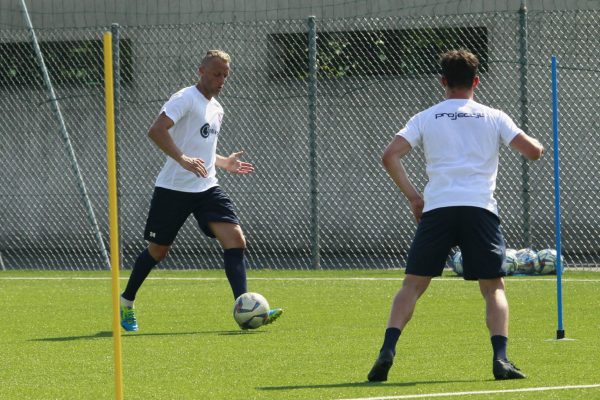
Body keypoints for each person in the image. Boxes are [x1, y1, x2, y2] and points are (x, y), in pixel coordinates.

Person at [367, 49, 543, 381]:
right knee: (493, 287)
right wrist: (538, 144)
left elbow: (390, 156)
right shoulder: (494, 116)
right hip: (479, 210)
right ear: (476, 81)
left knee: (413, 285)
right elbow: (532, 152)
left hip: (438, 208)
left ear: (443, 82)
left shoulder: (426, 116)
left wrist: (414, 197)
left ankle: (387, 350)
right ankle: (501, 360)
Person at [119, 50, 283, 332]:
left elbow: (202, 149)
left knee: (236, 239)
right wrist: (182, 159)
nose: (221, 80)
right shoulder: (185, 98)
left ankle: (245, 309)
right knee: (158, 251)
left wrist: (223, 162)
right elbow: (157, 130)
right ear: (202, 71)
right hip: (173, 189)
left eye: (225, 76)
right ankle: (126, 301)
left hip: (207, 187)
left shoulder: (217, 109)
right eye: (217, 74)